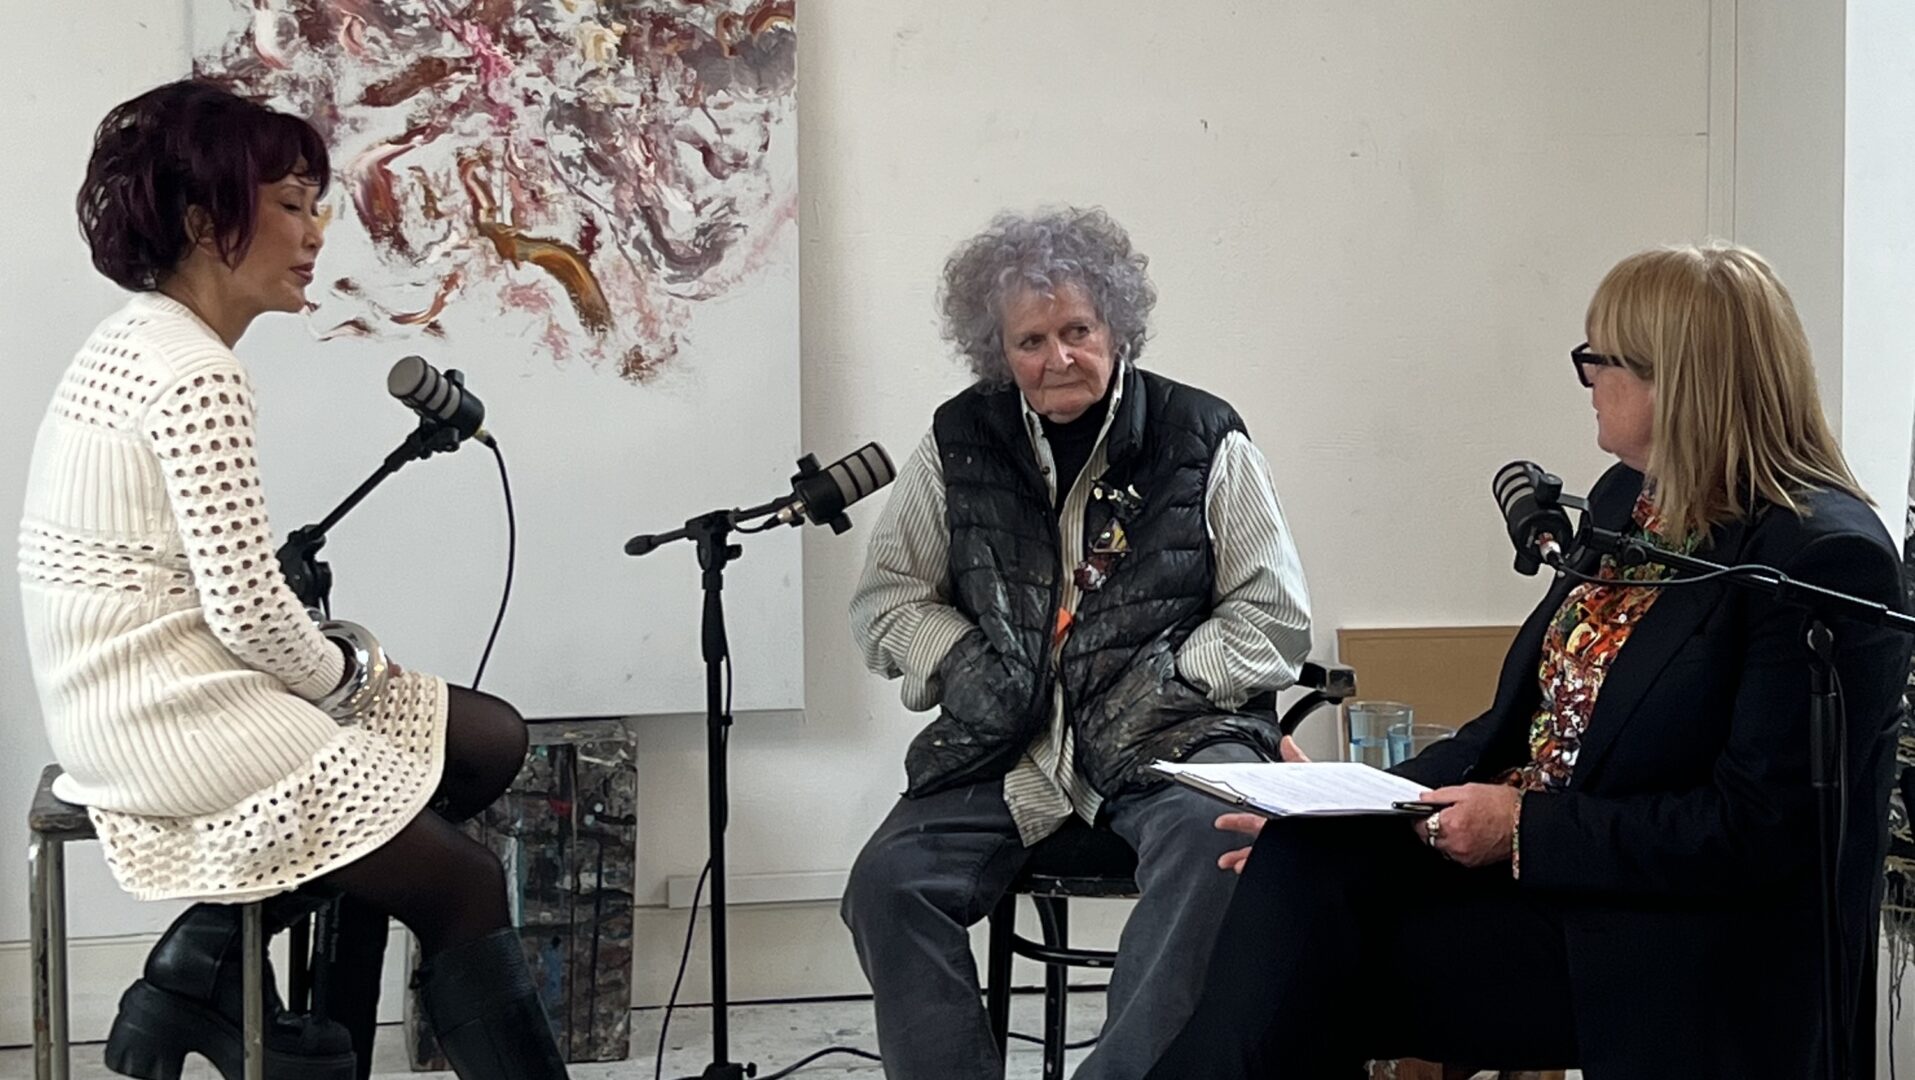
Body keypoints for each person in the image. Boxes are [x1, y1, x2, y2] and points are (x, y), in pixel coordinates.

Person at [1144, 243, 1913, 1079]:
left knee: (1304, 945)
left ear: (1675, 380)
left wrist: (1523, 832)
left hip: (1677, 940)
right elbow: (1521, 729)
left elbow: (1756, 832)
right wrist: (1348, 816)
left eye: (1597, 359)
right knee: (1303, 869)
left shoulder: (1818, 557)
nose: (1584, 379)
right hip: (1557, 887)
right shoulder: (1631, 501)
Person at [17, 80, 567, 1080]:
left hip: (132, 692)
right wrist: (351, 680)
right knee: (464, 885)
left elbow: (231, 603)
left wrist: (344, 677)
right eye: (288, 204)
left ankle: (207, 966)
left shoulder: (140, 340)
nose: (315, 231)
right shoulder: (196, 371)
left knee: (487, 742)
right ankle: (219, 982)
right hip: (165, 714)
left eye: (317, 203)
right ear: (201, 220)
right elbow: (245, 609)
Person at [841, 206, 1314, 1079]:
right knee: (887, 885)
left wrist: (1160, 681)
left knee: (1217, 850)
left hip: (1166, 737)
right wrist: (967, 667)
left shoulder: (1203, 434)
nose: (1056, 357)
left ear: (1116, 326)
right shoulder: (958, 441)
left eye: (1076, 330)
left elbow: (1270, 617)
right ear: (998, 349)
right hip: (1010, 741)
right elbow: (886, 602)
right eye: (1029, 340)